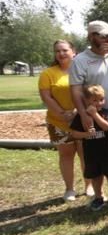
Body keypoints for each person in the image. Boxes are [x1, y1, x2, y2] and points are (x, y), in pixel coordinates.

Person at [69, 21, 108, 213]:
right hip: (95, 118)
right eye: (102, 36)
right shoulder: (80, 60)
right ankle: (100, 196)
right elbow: (76, 90)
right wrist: (83, 114)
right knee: (97, 158)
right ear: (91, 37)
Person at [39, 39, 92, 201]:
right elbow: (46, 96)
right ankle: (69, 189)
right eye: (57, 51)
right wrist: (62, 113)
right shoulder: (48, 73)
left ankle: (89, 186)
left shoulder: (83, 69)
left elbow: (91, 92)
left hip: (82, 119)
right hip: (58, 122)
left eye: (64, 50)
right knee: (66, 156)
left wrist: (78, 111)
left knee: (86, 155)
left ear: (73, 51)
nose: (61, 54)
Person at [69, 85, 108, 210]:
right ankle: (99, 197)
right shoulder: (81, 115)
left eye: (101, 99)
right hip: (91, 152)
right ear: (86, 101)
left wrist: (95, 115)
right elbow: (74, 133)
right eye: (94, 100)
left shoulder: (106, 112)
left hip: (106, 151)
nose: (98, 103)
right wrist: (86, 134)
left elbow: (107, 127)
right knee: (96, 176)